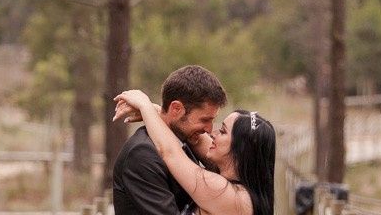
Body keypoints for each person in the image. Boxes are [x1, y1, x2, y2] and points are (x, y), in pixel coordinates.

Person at [113, 90, 276, 215]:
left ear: (239, 150)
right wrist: (164, 114)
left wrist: (144, 104)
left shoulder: (223, 192)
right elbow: (195, 138)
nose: (212, 133)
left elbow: (170, 153)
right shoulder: (247, 195)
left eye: (223, 131)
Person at [112, 65, 228, 215]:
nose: (209, 129)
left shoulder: (186, 139)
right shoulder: (143, 154)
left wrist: (152, 111)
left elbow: (227, 170)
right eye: (204, 119)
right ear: (176, 109)